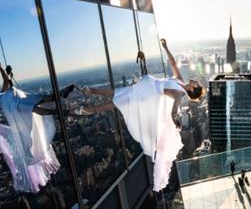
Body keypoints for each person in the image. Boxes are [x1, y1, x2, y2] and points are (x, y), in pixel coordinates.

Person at [74, 39, 206, 191]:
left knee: (120, 97)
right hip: (147, 89)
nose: (196, 81)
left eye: (197, 84)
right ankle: (89, 102)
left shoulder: (180, 93)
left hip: (147, 95)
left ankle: (89, 101)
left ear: (193, 89)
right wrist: (166, 47)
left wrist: (173, 115)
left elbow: (174, 104)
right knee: (120, 98)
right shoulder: (180, 82)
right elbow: (173, 64)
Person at [0, 64, 74, 193]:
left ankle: (58, 106)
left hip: (14, 100)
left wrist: (3, 70)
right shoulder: (2, 97)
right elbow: (6, 81)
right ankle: (58, 100)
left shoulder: (2, 94)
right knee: (33, 104)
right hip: (13, 105)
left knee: (33, 104)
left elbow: (6, 81)